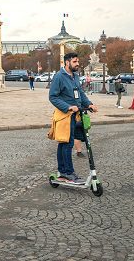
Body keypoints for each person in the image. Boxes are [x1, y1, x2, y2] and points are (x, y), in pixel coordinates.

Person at [49, 52, 97, 184]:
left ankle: (63, 171)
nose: (77, 64)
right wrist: (68, 107)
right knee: (66, 143)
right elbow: (53, 97)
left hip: (76, 115)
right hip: (64, 115)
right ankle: (67, 173)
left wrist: (89, 104)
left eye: (77, 62)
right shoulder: (59, 76)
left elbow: (80, 93)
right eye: (75, 62)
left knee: (65, 143)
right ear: (67, 62)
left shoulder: (75, 76)